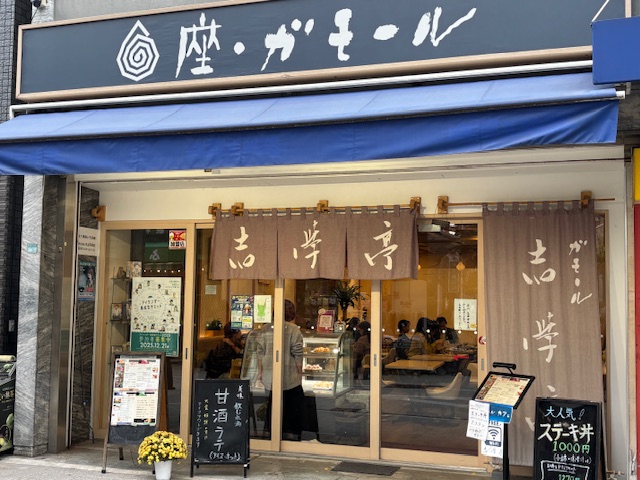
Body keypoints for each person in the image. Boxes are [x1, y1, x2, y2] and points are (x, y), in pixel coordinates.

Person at [256, 300, 304, 440]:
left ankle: (272, 435)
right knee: (292, 408)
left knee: (273, 406)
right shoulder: (293, 329)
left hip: (269, 377)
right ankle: (291, 436)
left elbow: (260, 353)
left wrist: (260, 374)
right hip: (289, 378)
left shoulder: (265, 329)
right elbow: (298, 353)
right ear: (291, 312)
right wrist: (299, 374)